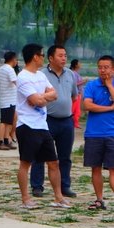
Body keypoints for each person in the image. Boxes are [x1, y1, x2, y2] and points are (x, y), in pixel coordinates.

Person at [14, 43, 69, 209]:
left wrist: (41, 96)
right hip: (27, 125)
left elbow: (54, 94)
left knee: (54, 162)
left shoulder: (41, 75)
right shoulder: (23, 77)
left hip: (42, 125)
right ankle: (25, 199)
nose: (43, 58)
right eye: (42, 55)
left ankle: (59, 197)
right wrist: (41, 98)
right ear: (35, 57)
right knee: (26, 163)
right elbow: (36, 100)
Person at [30, 45, 77, 199]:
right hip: (46, 120)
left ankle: (65, 185)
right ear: (50, 58)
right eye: (60, 55)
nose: (64, 58)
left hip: (66, 121)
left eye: (65, 55)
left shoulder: (70, 74)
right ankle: (37, 186)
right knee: (40, 154)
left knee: (65, 156)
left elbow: (73, 97)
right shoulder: (41, 75)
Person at [81, 55, 114, 211]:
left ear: (112, 69)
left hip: (112, 133)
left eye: (106, 67)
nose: (102, 70)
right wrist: (109, 108)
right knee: (95, 168)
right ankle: (99, 199)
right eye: (100, 67)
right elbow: (87, 105)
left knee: (112, 169)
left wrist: (109, 86)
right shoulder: (91, 85)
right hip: (93, 133)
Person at [0, 51, 19, 150]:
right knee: (4, 122)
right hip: (9, 99)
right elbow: (16, 83)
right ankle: (0, 141)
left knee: (7, 122)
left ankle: (6, 140)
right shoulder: (10, 70)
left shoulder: (1, 69)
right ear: (13, 59)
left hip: (5, 98)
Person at [70, 59, 87, 129]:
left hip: (78, 93)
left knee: (77, 110)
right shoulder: (74, 73)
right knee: (73, 109)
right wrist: (83, 82)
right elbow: (74, 84)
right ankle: (73, 123)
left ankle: (76, 124)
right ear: (76, 65)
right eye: (79, 63)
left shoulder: (75, 73)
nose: (80, 64)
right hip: (75, 93)